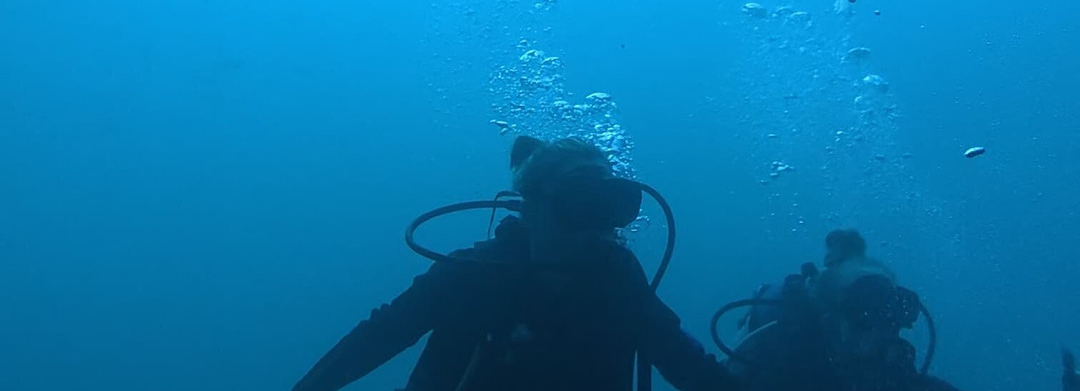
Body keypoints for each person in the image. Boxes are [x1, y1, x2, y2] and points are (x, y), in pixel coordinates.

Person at [291, 136, 742, 391]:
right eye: (579, 204)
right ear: (531, 209)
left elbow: (690, 367)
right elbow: (376, 337)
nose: (598, 228)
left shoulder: (619, 285)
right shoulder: (470, 275)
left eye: (609, 207)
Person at [720, 229, 964, 391]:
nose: (888, 343)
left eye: (891, 326)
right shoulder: (788, 358)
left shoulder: (888, 372)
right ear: (835, 320)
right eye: (867, 326)